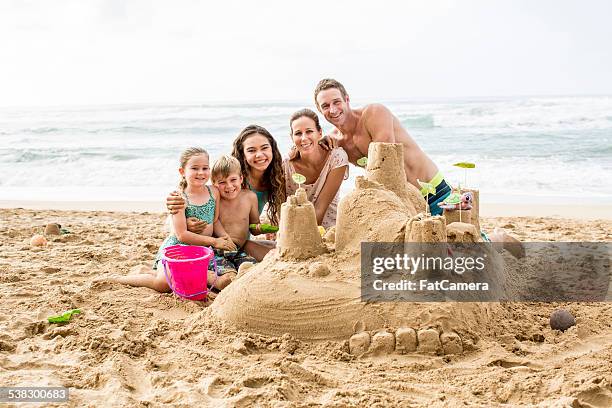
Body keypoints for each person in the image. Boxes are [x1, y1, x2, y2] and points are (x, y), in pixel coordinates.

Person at [314, 78, 524, 256]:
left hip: (430, 191)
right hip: (401, 202)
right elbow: (310, 160)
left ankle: (499, 238)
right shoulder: (335, 141)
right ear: (320, 110)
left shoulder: (374, 114)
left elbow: (386, 164)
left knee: (471, 249)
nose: (333, 110)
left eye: (337, 102)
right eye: (325, 106)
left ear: (347, 100)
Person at [114, 147, 237, 293]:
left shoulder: (213, 192)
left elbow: (215, 221)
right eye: (195, 168)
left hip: (201, 250)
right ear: (182, 172)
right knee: (163, 285)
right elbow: (182, 235)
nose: (201, 172)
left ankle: (148, 270)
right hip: (178, 248)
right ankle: (117, 279)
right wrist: (214, 241)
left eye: (205, 168)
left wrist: (224, 236)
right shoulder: (179, 198)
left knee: (195, 279)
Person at [166, 125, 286, 238]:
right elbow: (199, 194)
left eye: (265, 147)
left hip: (242, 240)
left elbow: (256, 225)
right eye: (251, 150)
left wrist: (273, 229)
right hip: (217, 240)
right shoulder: (231, 178)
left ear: (273, 149)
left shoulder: (276, 178)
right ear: (243, 154)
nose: (259, 155)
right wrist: (186, 221)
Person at [283, 108, 348, 228]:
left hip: (330, 230)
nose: (304, 138)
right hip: (292, 229)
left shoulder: (336, 158)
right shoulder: (285, 165)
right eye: (298, 133)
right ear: (292, 137)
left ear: (320, 133)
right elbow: (281, 208)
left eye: (309, 131)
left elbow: (319, 210)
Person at [210, 154, 273, 262]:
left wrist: (264, 228)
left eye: (233, 180)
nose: (229, 186)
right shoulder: (214, 198)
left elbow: (254, 228)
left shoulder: (250, 197)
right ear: (214, 183)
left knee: (274, 254)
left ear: (241, 178)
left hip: (242, 247)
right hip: (218, 249)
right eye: (222, 182)